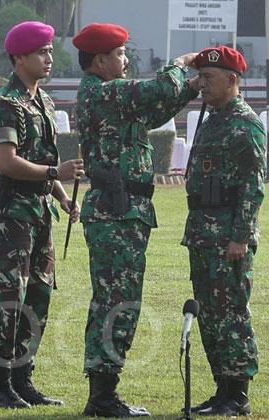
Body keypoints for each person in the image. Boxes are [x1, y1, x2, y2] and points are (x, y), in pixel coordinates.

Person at [72, 23, 200, 417]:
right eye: (121, 55)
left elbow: (157, 108)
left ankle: (104, 392)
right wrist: (178, 65)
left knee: (120, 301)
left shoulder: (111, 99)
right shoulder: (100, 93)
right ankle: (102, 396)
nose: (126, 61)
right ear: (100, 61)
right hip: (115, 213)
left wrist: (191, 89)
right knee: (116, 302)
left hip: (126, 212)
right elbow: (158, 90)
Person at [0, 21, 84, 409]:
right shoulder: (6, 104)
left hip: (38, 212)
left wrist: (60, 197)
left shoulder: (44, 102)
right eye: (41, 52)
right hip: (9, 215)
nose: (49, 58)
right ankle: (0, 386)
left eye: (50, 52)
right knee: (9, 296)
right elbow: (6, 162)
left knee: (38, 296)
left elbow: (43, 160)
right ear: (19, 57)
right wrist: (57, 175)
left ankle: (23, 381)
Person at [182, 46, 265, 416]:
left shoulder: (244, 123)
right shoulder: (212, 118)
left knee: (231, 314)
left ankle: (238, 393)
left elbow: (253, 184)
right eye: (200, 77)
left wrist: (241, 236)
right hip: (203, 232)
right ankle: (221, 389)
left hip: (229, 234)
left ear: (233, 80)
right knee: (210, 315)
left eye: (209, 78)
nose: (202, 84)